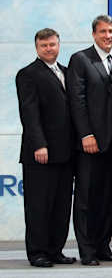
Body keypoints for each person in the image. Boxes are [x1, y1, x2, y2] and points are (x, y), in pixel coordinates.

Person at [67, 14, 112, 266]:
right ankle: (87, 250)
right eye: (103, 32)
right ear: (94, 34)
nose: (108, 36)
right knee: (87, 198)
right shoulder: (80, 59)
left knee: (110, 198)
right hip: (91, 142)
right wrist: (85, 134)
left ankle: (103, 246)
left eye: (111, 31)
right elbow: (77, 101)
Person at [15, 28, 76, 268]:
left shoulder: (67, 72)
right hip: (40, 154)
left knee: (61, 206)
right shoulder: (27, 74)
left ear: (59, 45)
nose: (49, 49)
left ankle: (55, 250)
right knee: (39, 205)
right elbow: (29, 114)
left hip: (65, 153)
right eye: (44, 45)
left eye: (53, 44)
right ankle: (38, 252)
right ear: (37, 48)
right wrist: (39, 144)